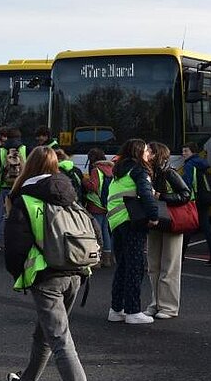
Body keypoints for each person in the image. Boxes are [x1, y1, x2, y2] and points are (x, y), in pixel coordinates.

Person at [3, 145, 98, 381]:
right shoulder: (69, 193)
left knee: (59, 338)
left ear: (29, 166)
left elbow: (15, 248)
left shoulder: (25, 198)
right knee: (44, 333)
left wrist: (20, 274)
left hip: (47, 276)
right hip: (77, 272)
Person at [106, 138, 159, 324]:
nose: (148, 153)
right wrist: (154, 215)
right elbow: (145, 193)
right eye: (145, 150)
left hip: (115, 222)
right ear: (138, 152)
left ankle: (116, 309)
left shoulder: (118, 171)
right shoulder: (139, 170)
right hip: (131, 221)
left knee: (122, 267)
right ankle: (133, 311)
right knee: (135, 267)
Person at [145, 142, 191, 319]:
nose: (146, 153)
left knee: (169, 265)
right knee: (154, 266)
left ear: (156, 154)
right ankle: (156, 303)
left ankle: (169, 307)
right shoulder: (151, 172)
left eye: (149, 151)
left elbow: (185, 194)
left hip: (170, 222)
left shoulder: (168, 172)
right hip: (158, 220)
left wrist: (161, 196)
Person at [0, 128, 26, 251]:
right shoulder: (25, 148)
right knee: (19, 215)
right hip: (19, 186)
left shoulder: (1, 151)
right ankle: (16, 240)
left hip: (4, 186)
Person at [181, 141, 211, 265]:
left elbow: (187, 182)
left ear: (193, 152)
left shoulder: (190, 164)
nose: (183, 153)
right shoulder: (202, 163)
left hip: (195, 199)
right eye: (183, 151)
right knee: (205, 226)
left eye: (186, 151)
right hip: (205, 197)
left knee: (188, 226)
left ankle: (180, 256)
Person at [82, 148, 114, 267]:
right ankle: (108, 259)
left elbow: (93, 187)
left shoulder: (96, 170)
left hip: (96, 205)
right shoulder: (111, 168)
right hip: (108, 204)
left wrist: (84, 181)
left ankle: (97, 259)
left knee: (97, 232)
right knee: (106, 231)